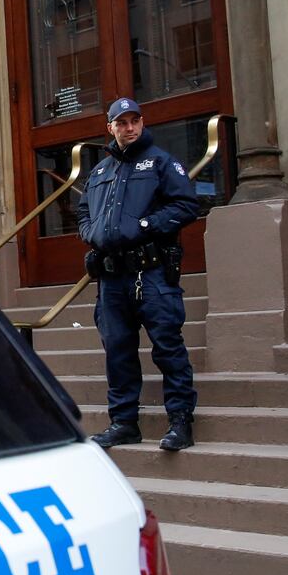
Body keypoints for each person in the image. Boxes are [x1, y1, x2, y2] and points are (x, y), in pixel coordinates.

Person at [78, 97, 201, 450]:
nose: (128, 127)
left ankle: (180, 422)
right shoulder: (100, 172)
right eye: (121, 122)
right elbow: (84, 211)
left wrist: (146, 224)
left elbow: (187, 206)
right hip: (112, 278)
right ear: (110, 128)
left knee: (167, 346)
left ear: (142, 123)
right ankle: (123, 422)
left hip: (152, 274)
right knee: (117, 351)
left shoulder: (161, 162)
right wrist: (92, 233)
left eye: (134, 121)